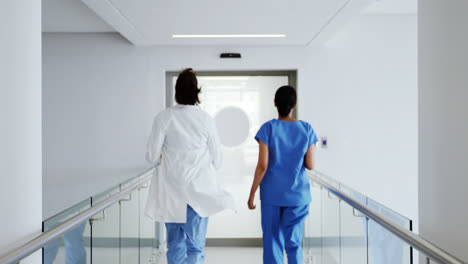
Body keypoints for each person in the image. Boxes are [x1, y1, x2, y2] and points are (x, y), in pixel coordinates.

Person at [144, 68, 236, 264]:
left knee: (175, 245)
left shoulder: (163, 118)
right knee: (195, 247)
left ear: (177, 91)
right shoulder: (205, 120)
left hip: (171, 192)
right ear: (197, 92)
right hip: (198, 193)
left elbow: (152, 156)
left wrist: (166, 159)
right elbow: (218, 160)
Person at [248, 85, 318, 264]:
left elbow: (262, 166)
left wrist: (252, 193)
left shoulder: (268, 128)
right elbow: (310, 165)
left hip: (272, 195)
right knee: (294, 243)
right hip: (297, 196)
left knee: (272, 242)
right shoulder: (307, 129)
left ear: (275, 103)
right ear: (294, 105)